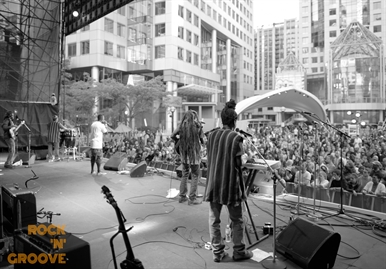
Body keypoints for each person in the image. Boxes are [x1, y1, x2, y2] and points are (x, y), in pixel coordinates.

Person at [204, 99, 253, 263]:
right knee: (237, 219)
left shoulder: (211, 135)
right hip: (230, 185)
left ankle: (217, 252)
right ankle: (239, 251)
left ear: (222, 119)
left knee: (214, 220)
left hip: (213, 184)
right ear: (234, 121)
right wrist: (246, 157)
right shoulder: (236, 138)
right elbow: (239, 164)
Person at [171, 110, 204, 205]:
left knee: (185, 174)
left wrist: (180, 140)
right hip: (194, 154)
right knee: (194, 175)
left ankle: (182, 197)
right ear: (194, 117)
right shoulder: (197, 126)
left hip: (184, 154)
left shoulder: (181, 126)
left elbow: (172, 135)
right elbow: (202, 141)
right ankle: (192, 199)